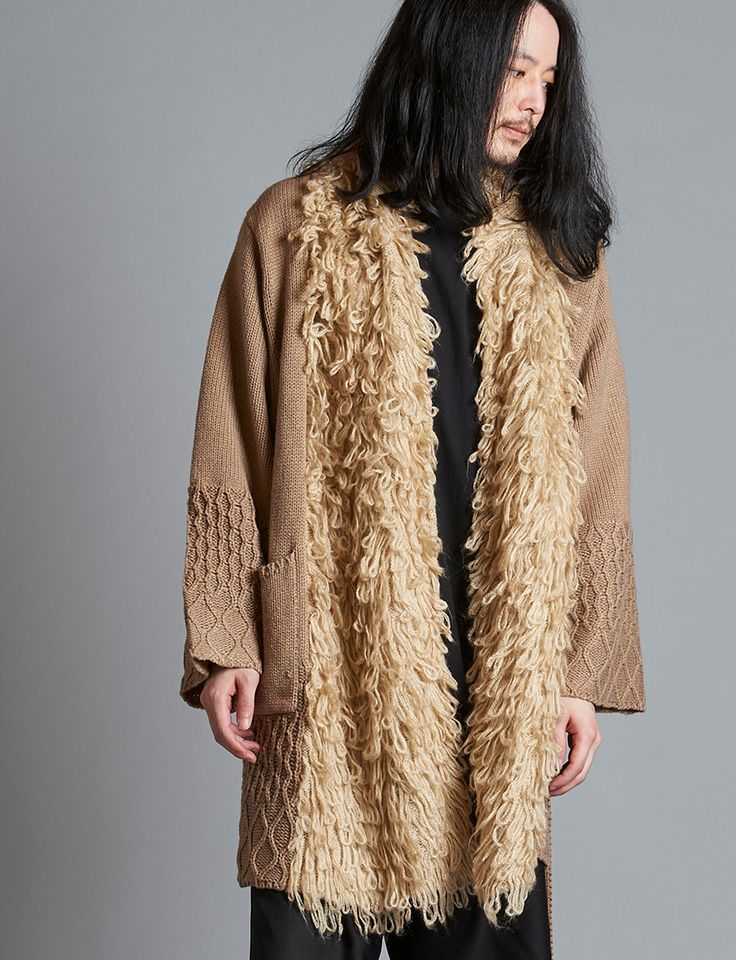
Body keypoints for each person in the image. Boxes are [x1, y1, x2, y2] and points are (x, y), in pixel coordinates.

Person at [178, 2, 646, 958]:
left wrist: (578, 674)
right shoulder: (295, 226)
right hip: (331, 668)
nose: (534, 102)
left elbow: (598, 472)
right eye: (515, 69)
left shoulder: (560, 252)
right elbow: (233, 436)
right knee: (313, 902)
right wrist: (226, 639)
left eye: (549, 80)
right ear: (448, 56)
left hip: (494, 682)